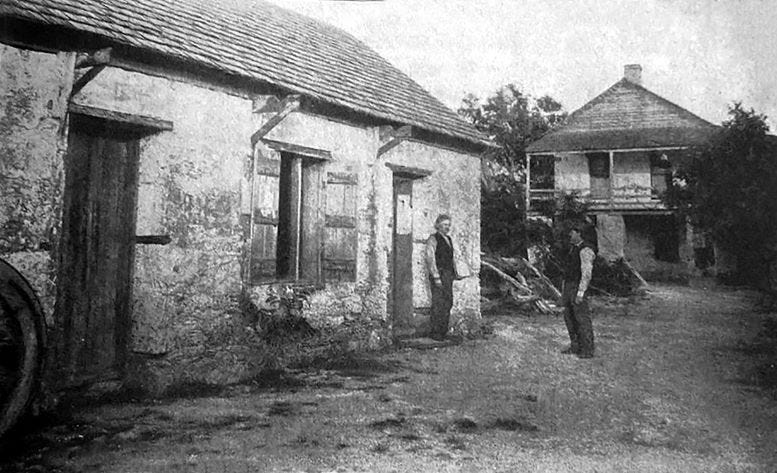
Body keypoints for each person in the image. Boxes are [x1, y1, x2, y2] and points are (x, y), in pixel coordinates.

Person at [561, 224, 596, 358]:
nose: (570, 235)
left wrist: (581, 292)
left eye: (572, 232)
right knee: (569, 317)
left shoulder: (585, 250)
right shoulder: (573, 249)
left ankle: (587, 349)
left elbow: (586, 273)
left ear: (579, 233)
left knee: (582, 318)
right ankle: (575, 345)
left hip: (577, 286)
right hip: (569, 286)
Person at [425, 214, 457, 341]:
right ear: (438, 225)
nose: (447, 228)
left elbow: (451, 258)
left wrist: (455, 273)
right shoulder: (433, 239)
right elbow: (430, 258)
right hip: (439, 274)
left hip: (448, 274)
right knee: (438, 302)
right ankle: (436, 332)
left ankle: (443, 331)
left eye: (448, 225)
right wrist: (436, 276)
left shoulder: (448, 239)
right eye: (444, 225)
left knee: (448, 302)